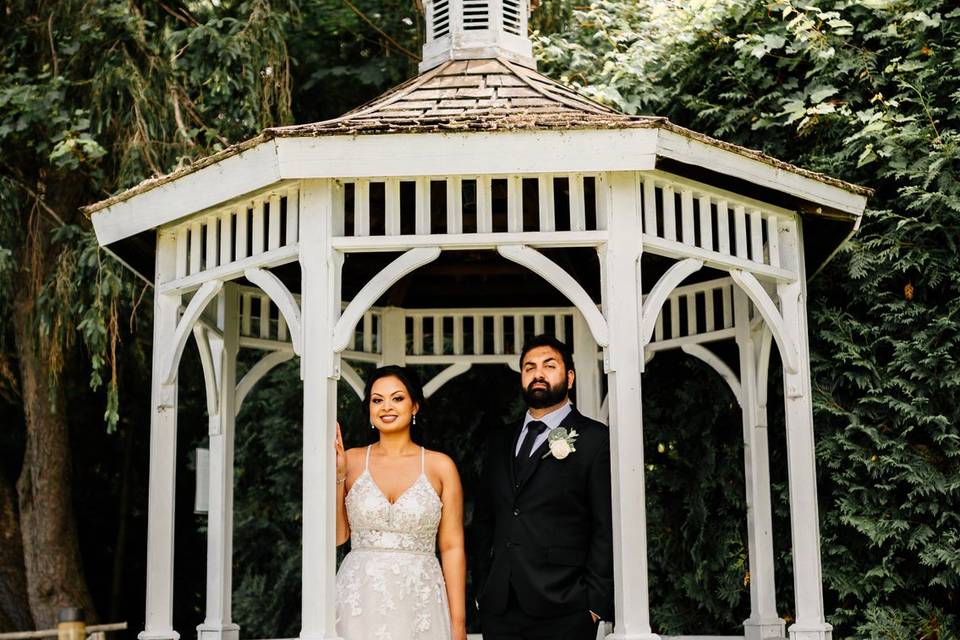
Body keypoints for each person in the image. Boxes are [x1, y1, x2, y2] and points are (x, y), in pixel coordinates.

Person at [472, 335, 614, 640]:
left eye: (549, 366)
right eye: (529, 367)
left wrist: (594, 604)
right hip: (500, 608)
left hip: (565, 607)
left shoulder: (594, 439)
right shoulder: (499, 441)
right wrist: (483, 588)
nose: (538, 373)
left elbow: (606, 526)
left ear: (570, 377)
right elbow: (484, 520)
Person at [334, 365, 467, 640]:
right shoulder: (351, 460)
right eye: (377, 400)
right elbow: (338, 537)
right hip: (359, 599)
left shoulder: (440, 466)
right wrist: (337, 478)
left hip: (420, 600)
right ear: (369, 409)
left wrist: (458, 626)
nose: (386, 407)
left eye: (397, 398)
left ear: (414, 406)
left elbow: (452, 548)